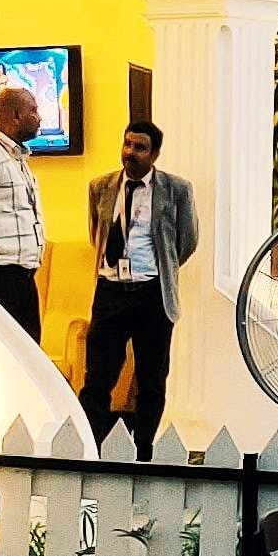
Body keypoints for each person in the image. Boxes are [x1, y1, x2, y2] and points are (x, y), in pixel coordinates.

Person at [81, 118, 196, 459]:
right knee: (98, 377)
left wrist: (157, 270)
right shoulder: (100, 186)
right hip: (111, 290)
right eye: (127, 144)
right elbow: (95, 234)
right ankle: (92, 446)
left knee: (151, 379)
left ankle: (143, 450)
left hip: (152, 294)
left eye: (140, 147)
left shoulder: (177, 189)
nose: (130, 153)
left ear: (155, 153)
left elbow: (186, 242)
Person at [0, 85, 49, 348]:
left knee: (28, 359)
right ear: (16, 116)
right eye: (34, 111)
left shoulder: (13, 157)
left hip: (20, 279)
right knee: (12, 359)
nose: (40, 118)